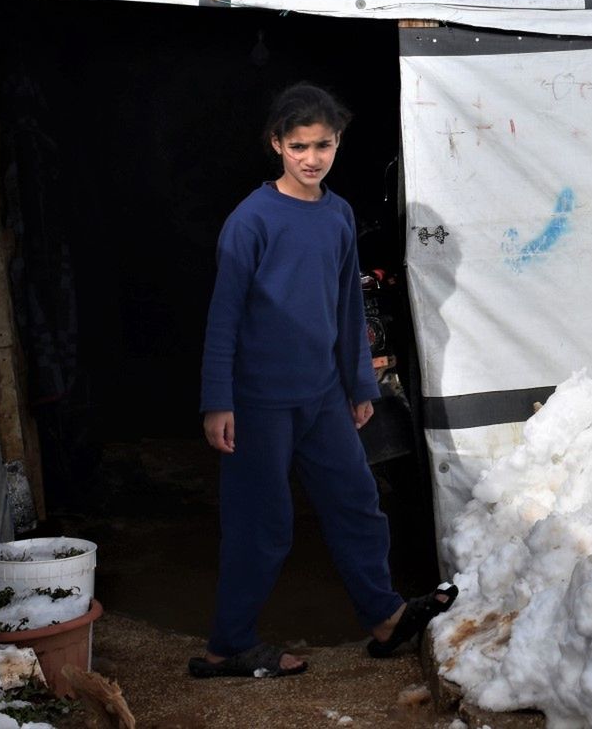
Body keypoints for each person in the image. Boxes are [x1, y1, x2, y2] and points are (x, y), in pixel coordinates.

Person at [188, 82, 455, 679]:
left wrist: (360, 384)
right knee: (263, 524)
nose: (312, 158)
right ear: (277, 144)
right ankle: (227, 645)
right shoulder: (250, 222)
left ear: (338, 143)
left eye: (324, 145)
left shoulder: (337, 216)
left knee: (358, 502)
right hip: (258, 404)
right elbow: (223, 317)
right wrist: (217, 401)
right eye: (300, 145)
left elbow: (347, 309)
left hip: (324, 398)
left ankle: (384, 618)